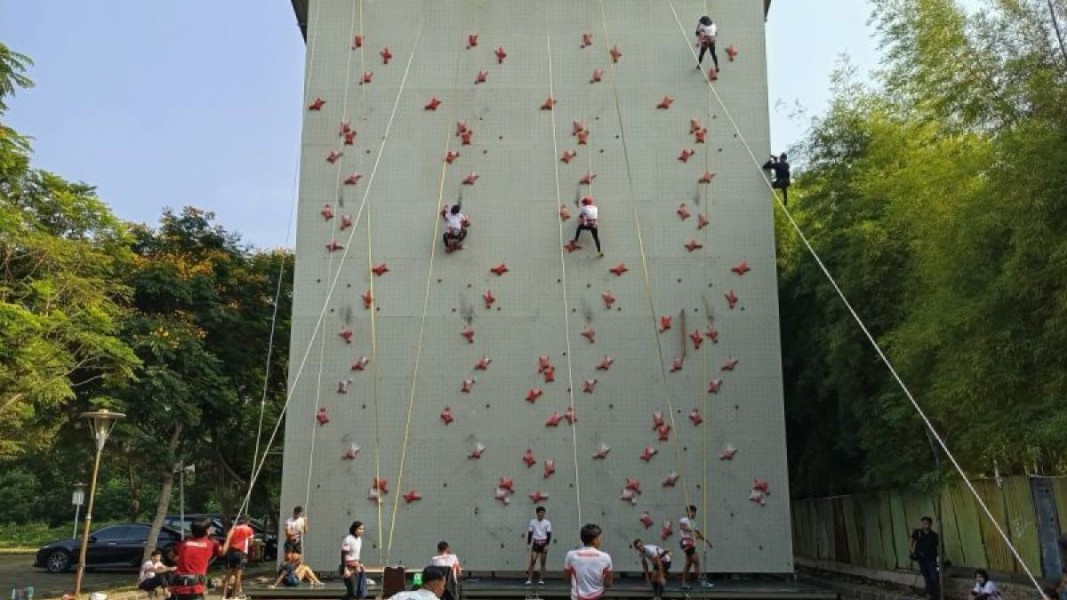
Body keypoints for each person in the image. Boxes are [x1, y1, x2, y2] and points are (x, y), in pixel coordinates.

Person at [168, 517, 227, 600]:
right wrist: (230, 537)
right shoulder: (211, 543)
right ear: (207, 531)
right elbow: (222, 552)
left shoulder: (184, 543)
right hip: (194, 588)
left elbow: (170, 555)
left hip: (177, 587)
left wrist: (183, 562)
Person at [563, 524, 613, 600]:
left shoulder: (570, 555)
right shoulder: (606, 557)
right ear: (595, 540)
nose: (600, 540)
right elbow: (608, 583)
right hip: (598, 597)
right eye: (599, 538)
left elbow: (566, 579)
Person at [221, 516, 255, 600]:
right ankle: (234, 596)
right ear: (247, 521)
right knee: (238, 576)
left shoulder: (233, 528)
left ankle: (224, 596)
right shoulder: (249, 529)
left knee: (228, 575)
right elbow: (250, 543)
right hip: (241, 552)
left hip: (231, 551)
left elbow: (229, 539)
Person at [678, 505, 712, 589]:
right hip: (686, 542)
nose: (693, 514)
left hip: (691, 543)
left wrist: (706, 540)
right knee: (696, 561)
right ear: (688, 512)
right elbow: (682, 527)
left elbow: (698, 534)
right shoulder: (684, 519)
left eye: (694, 512)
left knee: (688, 564)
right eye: (692, 511)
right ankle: (702, 582)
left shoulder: (693, 522)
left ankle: (683, 583)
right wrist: (691, 530)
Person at [909, 516, 940, 600]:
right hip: (921, 559)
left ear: (930, 524)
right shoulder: (917, 532)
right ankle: (929, 595)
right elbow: (911, 542)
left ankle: (935, 595)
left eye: (926, 523)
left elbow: (938, 549)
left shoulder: (934, 535)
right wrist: (913, 551)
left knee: (934, 577)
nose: (924, 525)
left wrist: (939, 560)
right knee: (926, 577)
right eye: (923, 523)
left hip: (932, 559)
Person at [526, 506, 553, 586]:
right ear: (537, 513)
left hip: (543, 543)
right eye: (540, 513)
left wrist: (547, 545)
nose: (541, 515)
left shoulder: (547, 522)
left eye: (543, 513)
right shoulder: (532, 522)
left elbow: (548, 535)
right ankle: (529, 579)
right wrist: (528, 544)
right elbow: (530, 533)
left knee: (543, 562)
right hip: (535, 543)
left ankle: (541, 579)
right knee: (533, 561)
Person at [342, 520, 367, 600]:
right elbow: (343, 555)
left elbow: (357, 555)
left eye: (363, 529)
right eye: (359, 529)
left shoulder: (359, 540)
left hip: (356, 567)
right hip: (348, 567)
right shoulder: (348, 539)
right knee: (352, 591)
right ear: (354, 529)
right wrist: (345, 569)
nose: (361, 531)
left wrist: (360, 563)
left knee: (357, 592)